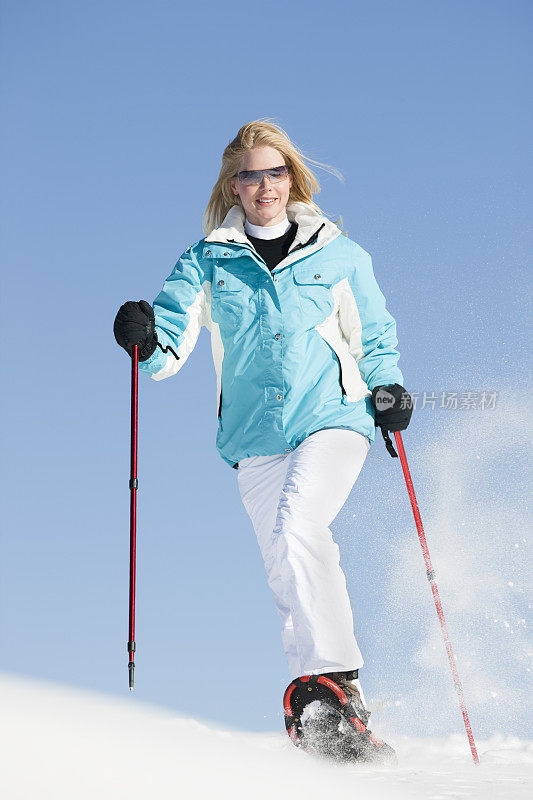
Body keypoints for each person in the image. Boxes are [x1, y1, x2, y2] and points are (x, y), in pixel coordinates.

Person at [113, 119, 412, 762]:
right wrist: (143, 341)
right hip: (253, 436)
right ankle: (317, 697)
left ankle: (340, 678)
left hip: (333, 415)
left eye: (274, 172)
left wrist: (388, 386)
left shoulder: (339, 254)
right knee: (283, 553)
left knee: (299, 521)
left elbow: (375, 334)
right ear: (234, 185)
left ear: (291, 178)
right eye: (250, 175)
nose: (264, 185)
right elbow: (170, 346)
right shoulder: (206, 259)